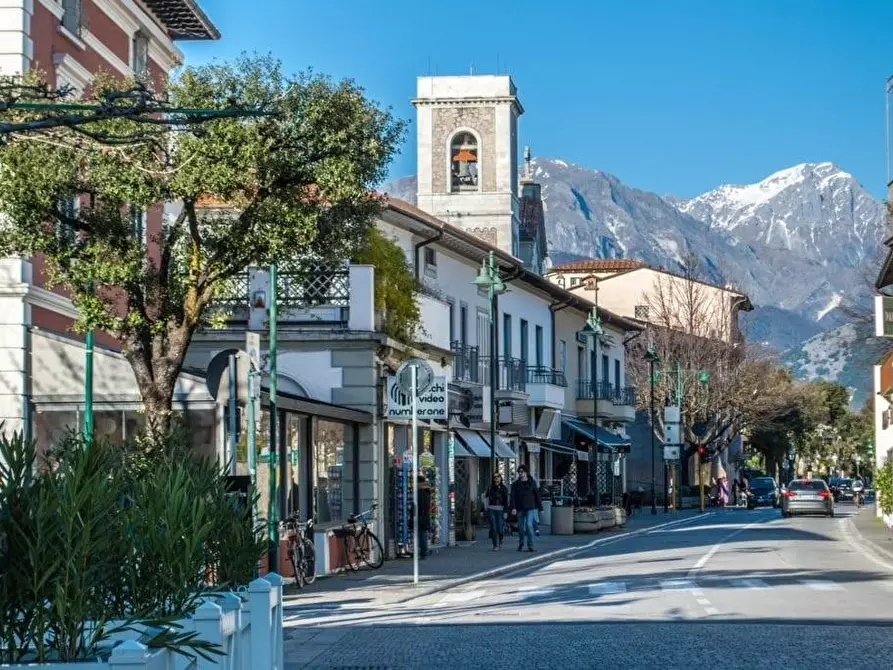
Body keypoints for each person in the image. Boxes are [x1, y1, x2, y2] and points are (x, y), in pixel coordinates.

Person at [510, 464, 542, 552]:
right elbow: (512, 496)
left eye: (522, 472)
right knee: (520, 527)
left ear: (526, 472)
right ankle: (521, 543)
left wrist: (540, 507)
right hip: (520, 507)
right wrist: (513, 508)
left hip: (530, 507)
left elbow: (537, 495)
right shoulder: (515, 484)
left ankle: (530, 545)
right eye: (519, 472)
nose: (521, 473)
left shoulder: (532, 482)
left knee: (529, 525)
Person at [484, 472, 509, 551]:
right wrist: (482, 510)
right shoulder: (490, 488)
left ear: (500, 478)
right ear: (493, 479)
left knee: (500, 529)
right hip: (491, 509)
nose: (496, 478)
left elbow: (506, 501)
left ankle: (501, 538)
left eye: (498, 476)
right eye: (495, 477)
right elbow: (486, 499)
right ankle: (495, 545)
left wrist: (505, 511)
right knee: (493, 528)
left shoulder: (504, 488)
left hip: (500, 510)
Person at [416, 474, 433, 559]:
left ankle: (423, 553)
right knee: (423, 534)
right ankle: (424, 551)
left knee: (421, 534)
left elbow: (420, 505)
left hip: (421, 516)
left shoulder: (421, 492)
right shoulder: (427, 490)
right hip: (425, 516)